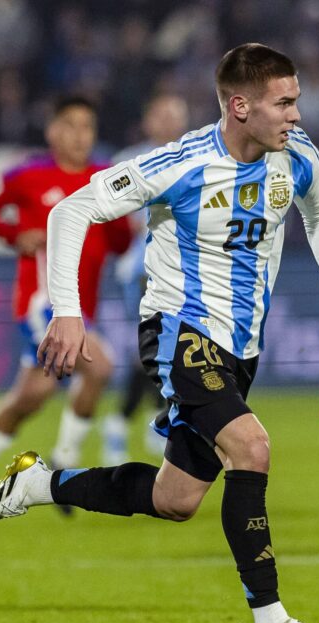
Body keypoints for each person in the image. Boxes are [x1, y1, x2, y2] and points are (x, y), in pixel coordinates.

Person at [0, 44, 319, 623]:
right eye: (284, 102)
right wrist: (67, 312)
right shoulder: (181, 163)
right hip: (179, 333)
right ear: (240, 106)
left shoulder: (298, 157)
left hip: (240, 347)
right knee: (252, 447)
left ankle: (39, 483)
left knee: (175, 499)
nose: (296, 114)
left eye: (296, 101)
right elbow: (71, 211)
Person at [0, 95, 132, 523]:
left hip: (82, 308)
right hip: (42, 303)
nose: (79, 135)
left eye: (87, 127)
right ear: (52, 131)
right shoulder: (29, 174)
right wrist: (14, 234)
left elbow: (121, 240)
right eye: (70, 125)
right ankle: (64, 468)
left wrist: (119, 227)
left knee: (32, 395)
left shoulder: (104, 179)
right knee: (98, 367)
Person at [101, 93, 191, 467]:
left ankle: (147, 420)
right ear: (148, 120)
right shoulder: (129, 161)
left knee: (164, 347)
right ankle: (128, 422)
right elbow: (109, 212)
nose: (169, 122)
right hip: (141, 269)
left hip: (181, 269)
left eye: (175, 115)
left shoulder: (193, 157)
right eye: (162, 114)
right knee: (154, 345)